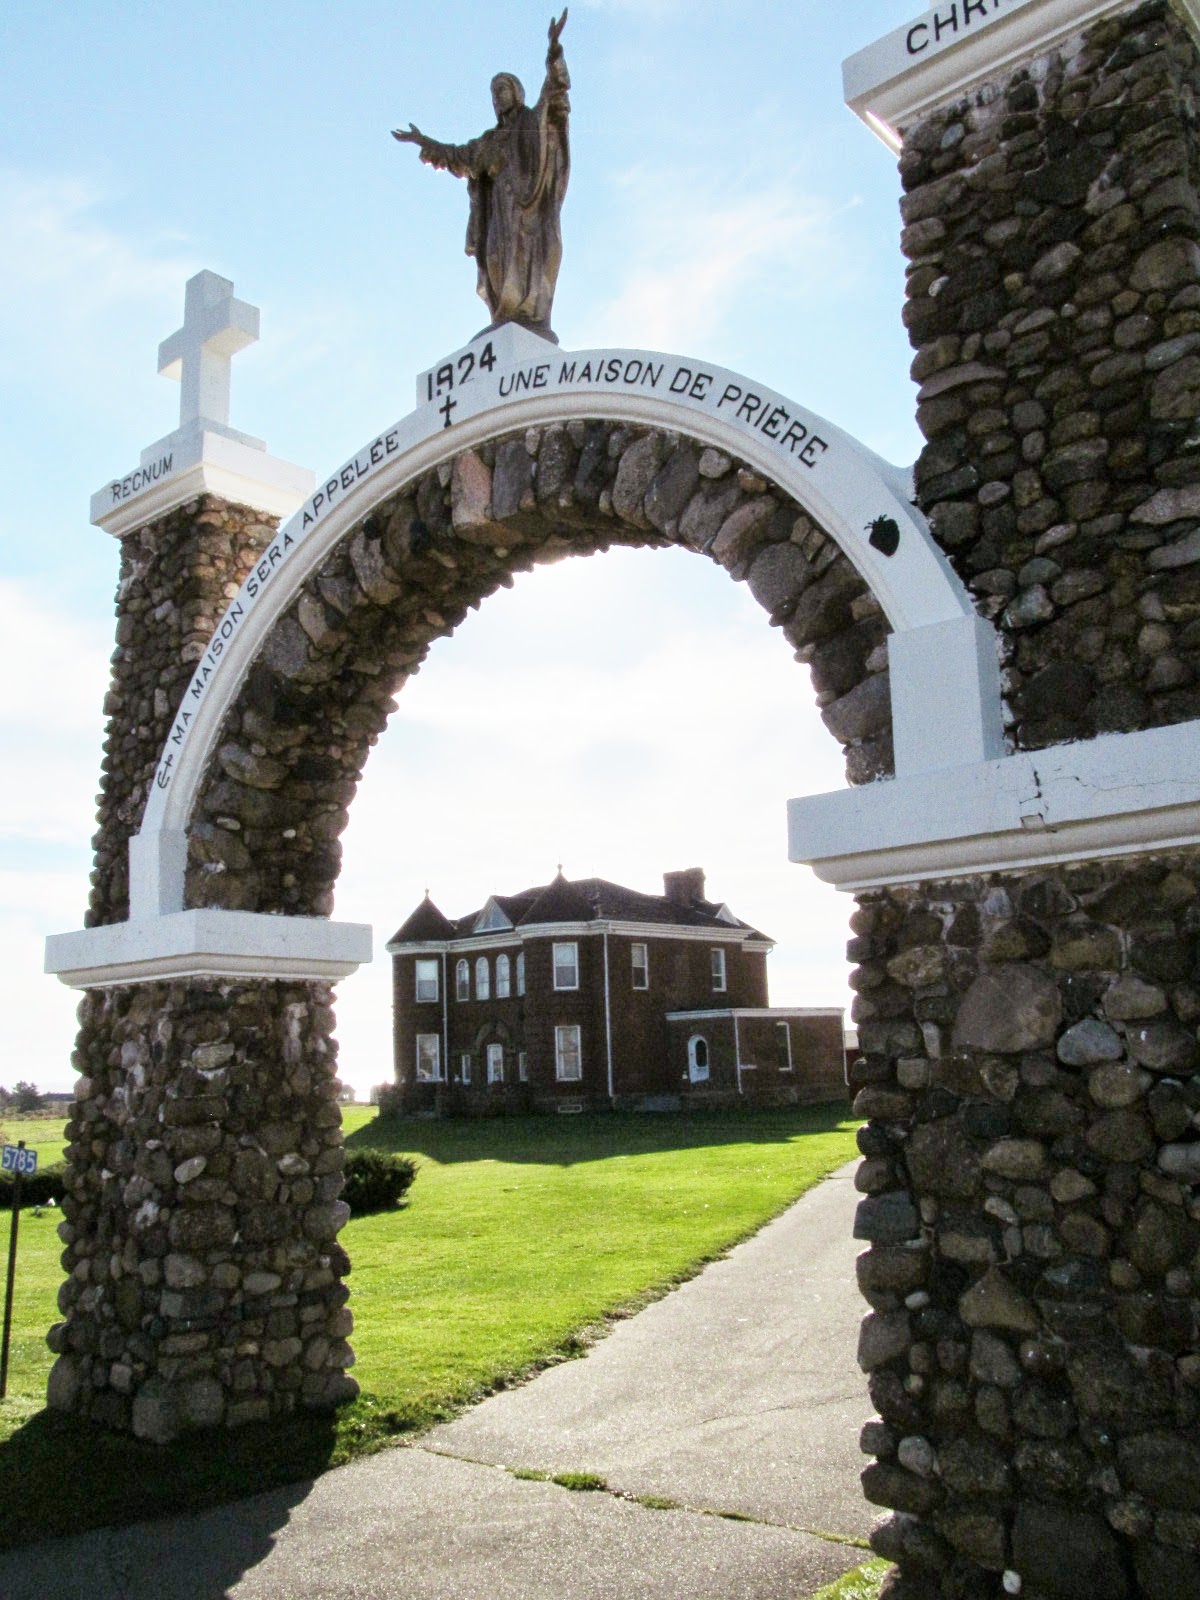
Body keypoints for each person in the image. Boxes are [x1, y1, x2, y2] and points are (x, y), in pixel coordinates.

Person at [393, 11, 570, 342]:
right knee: (494, 262)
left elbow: (555, 95)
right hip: (497, 216)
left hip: (525, 210)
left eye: (503, 90)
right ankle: (504, 319)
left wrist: (554, 50)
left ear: (515, 92)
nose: (497, 97)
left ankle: (526, 321)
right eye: (493, 92)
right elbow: (459, 157)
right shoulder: (489, 141)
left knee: (522, 265)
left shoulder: (529, 122)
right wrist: (423, 142)